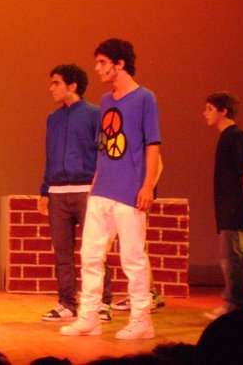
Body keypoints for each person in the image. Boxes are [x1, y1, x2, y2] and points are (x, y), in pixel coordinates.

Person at [61, 39, 160, 340]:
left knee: (132, 257)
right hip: (102, 189)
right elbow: (104, 145)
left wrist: (147, 185)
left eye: (103, 62)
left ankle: (142, 320)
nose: (97, 68)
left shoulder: (145, 98)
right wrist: (95, 181)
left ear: (120, 64)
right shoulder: (106, 101)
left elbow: (152, 145)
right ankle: (89, 317)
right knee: (90, 255)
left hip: (129, 190)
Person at [39, 64, 113, 322]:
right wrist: (45, 191)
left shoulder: (95, 114)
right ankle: (67, 303)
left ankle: (102, 303)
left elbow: (104, 153)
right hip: (58, 192)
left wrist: (99, 186)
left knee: (95, 250)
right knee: (62, 253)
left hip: (86, 191)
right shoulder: (53, 118)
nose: (51, 88)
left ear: (72, 85)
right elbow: (49, 156)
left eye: (56, 83)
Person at [202, 92, 243, 318]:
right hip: (230, 209)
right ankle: (239, 305)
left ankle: (234, 306)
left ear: (223, 111)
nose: (205, 114)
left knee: (232, 258)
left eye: (209, 109)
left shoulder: (236, 137)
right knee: (236, 257)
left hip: (236, 209)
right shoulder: (228, 137)